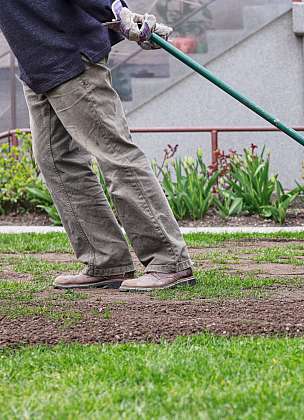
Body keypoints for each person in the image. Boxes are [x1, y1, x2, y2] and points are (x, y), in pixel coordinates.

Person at [0, 0, 195, 292]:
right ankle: (105, 261)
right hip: (37, 62)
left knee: (115, 154)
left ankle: (169, 261)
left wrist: (115, 10)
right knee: (56, 161)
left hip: (68, 53)